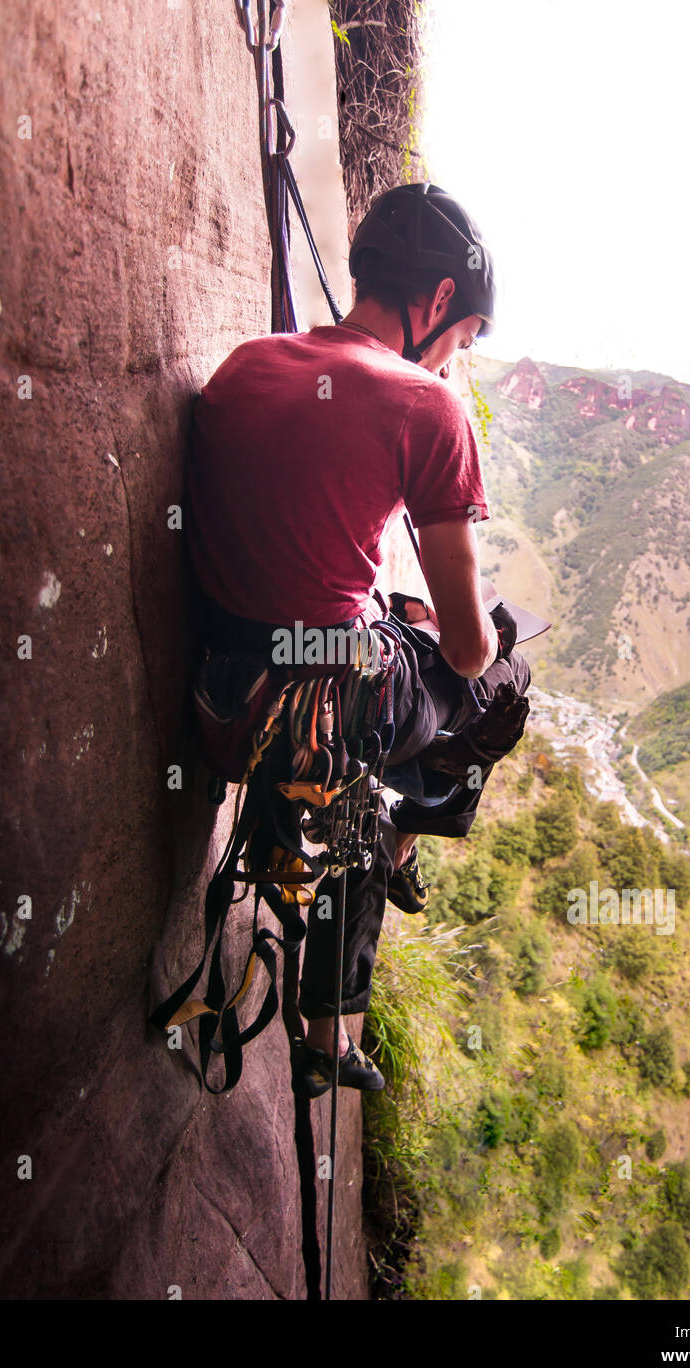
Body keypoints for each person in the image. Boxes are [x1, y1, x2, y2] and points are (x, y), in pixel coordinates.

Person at [185, 183, 531, 1097]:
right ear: (441, 302)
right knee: (504, 673)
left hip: (219, 696)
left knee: (397, 649)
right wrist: (473, 643)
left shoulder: (250, 361)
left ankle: (394, 837)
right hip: (315, 716)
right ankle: (406, 844)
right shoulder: (428, 407)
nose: (454, 363)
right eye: (461, 342)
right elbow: (462, 655)